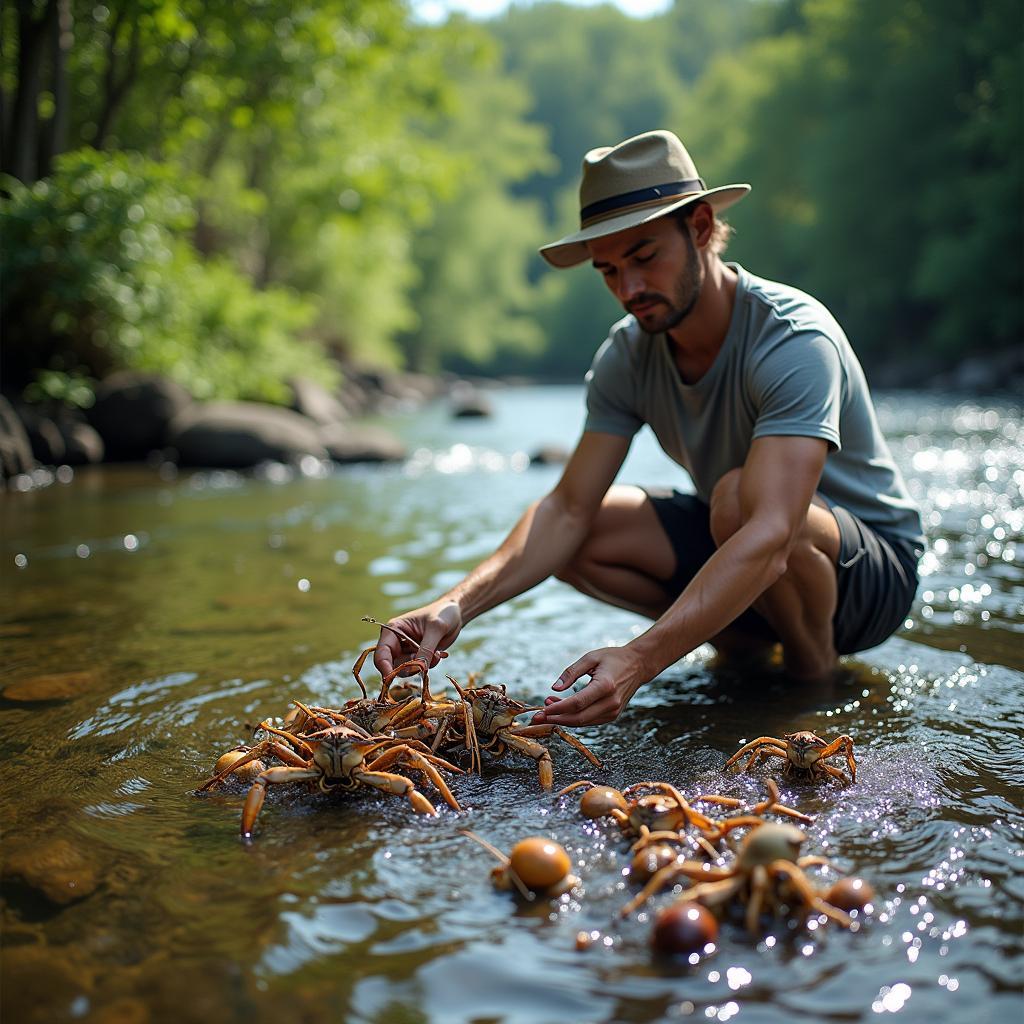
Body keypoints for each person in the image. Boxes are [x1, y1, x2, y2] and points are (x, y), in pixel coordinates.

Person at [373, 129, 924, 728]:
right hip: (740, 536)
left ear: (702, 228)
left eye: (643, 257)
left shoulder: (792, 338)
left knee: (738, 499)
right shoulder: (627, 356)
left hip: (867, 574)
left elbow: (770, 530)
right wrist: (455, 606)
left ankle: (809, 680)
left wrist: (641, 659)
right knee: (580, 532)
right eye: (608, 270)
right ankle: (739, 648)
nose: (628, 289)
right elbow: (567, 509)